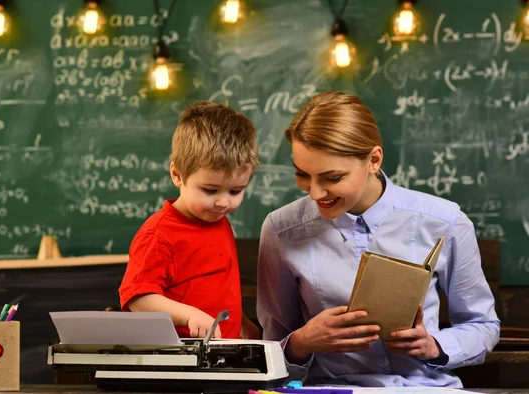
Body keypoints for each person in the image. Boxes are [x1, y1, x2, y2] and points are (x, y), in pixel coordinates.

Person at [256, 91, 500, 387]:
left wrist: (434, 345)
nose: (315, 192)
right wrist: (301, 342)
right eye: (303, 175)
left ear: (373, 159)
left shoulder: (444, 220)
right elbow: (271, 351)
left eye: (332, 178)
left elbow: (483, 326)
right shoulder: (281, 230)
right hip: (334, 391)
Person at [119, 101, 260, 340]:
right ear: (177, 174)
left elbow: (218, 289)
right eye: (210, 190)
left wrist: (241, 322)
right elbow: (137, 298)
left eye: (235, 191)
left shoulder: (219, 221)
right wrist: (189, 315)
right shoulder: (158, 235)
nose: (223, 202)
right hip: (180, 356)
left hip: (223, 351)